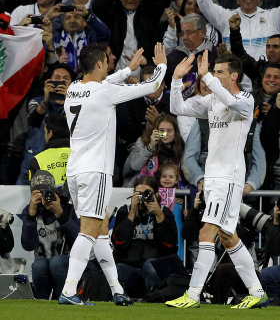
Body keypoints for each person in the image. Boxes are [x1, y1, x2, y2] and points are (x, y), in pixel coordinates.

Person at [59, 42, 167, 305]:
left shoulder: (74, 89)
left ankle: (117, 290)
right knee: (89, 229)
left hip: (75, 171)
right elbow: (152, 87)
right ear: (98, 64)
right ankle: (69, 290)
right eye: (106, 62)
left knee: (101, 230)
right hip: (95, 171)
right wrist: (162, 65)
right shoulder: (105, 91)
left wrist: (125, 70)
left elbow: (103, 84)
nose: (109, 66)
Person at [166, 51, 267, 309]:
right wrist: (177, 81)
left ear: (234, 76)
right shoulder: (212, 100)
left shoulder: (245, 99)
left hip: (228, 178)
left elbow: (231, 102)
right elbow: (177, 108)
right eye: (214, 71)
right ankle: (256, 291)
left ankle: (193, 294)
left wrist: (207, 77)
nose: (213, 76)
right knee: (227, 235)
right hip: (213, 177)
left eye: (220, 72)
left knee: (206, 231)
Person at [112, 175, 187, 298]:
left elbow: (170, 245)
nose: (143, 198)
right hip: (130, 265)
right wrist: (131, 215)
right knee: (117, 270)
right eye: (138, 194)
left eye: (147, 193)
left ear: (156, 195)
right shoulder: (125, 211)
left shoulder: (164, 212)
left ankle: (154, 297)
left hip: (156, 265)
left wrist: (159, 216)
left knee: (150, 266)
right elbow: (119, 243)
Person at [21, 170, 80, 299]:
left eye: (47, 192)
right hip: (44, 262)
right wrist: (31, 217)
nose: (43, 197)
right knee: (39, 264)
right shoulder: (30, 210)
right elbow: (28, 246)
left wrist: (60, 214)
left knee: (56, 262)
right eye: (38, 193)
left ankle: (62, 297)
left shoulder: (67, 207)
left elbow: (79, 240)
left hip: (67, 262)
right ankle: (43, 302)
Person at [123, 113, 184, 187]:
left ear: (175, 132)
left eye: (169, 130)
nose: (165, 134)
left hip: (169, 192)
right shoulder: (143, 142)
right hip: (140, 187)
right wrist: (150, 147)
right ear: (155, 131)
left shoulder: (180, 147)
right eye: (161, 130)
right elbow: (134, 165)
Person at [29, 114, 70, 185]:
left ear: (50, 133)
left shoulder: (38, 159)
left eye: (45, 132)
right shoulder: (81, 154)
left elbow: (36, 192)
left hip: (50, 196)